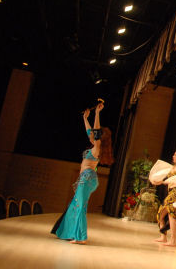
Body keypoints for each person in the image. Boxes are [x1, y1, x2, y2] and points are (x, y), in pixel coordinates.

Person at [52, 102, 114, 244]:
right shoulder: (95, 146)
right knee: (75, 205)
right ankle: (69, 232)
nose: (92, 135)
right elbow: (90, 133)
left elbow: (96, 131)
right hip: (87, 178)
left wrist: (97, 113)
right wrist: (85, 118)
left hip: (87, 178)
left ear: (99, 138)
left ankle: (80, 237)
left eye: (95, 135)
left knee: (80, 207)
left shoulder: (97, 147)